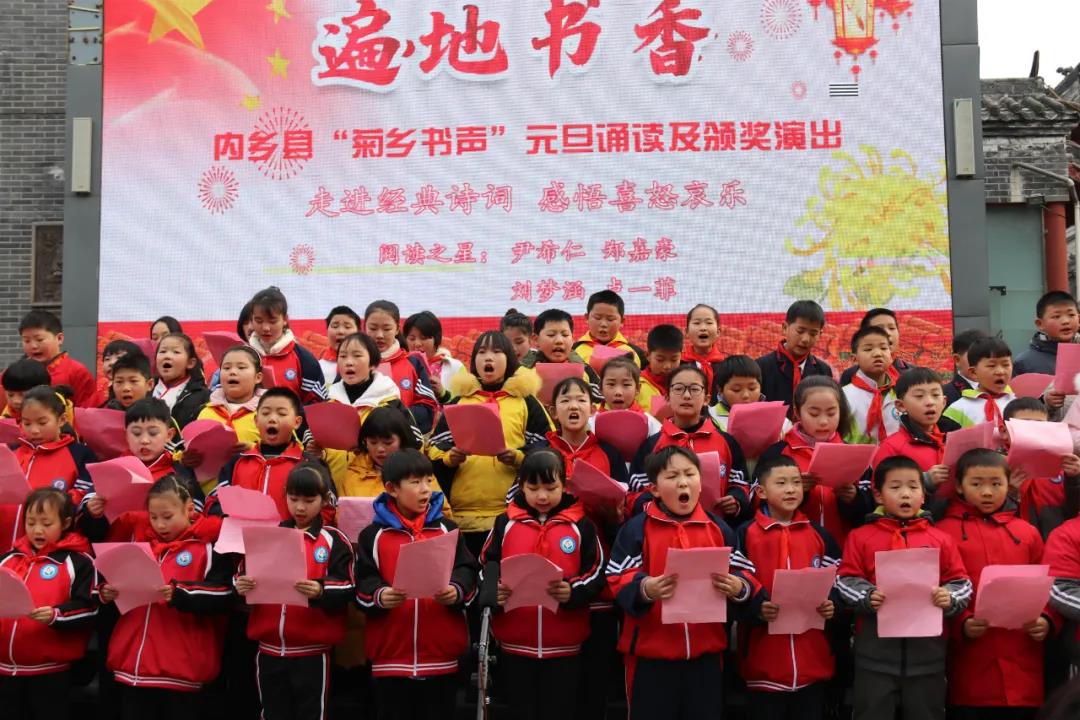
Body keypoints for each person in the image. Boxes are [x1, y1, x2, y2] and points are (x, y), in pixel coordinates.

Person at [606, 446, 758, 719]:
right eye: (672, 476)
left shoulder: (719, 529)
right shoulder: (636, 529)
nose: (683, 482)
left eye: (690, 474)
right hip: (650, 658)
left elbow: (746, 573)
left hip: (706, 656)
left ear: (701, 482)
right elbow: (617, 575)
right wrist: (645, 588)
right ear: (654, 488)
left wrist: (739, 587)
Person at [836, 456, 972, 720]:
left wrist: (949, 596)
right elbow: (845, 580)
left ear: (923, 495)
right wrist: (867, 596)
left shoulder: (940, 539)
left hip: (928, 657)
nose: (905, 494)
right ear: (878, 494)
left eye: (913, 487)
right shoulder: (861, 537)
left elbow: (962, 582)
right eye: (895, 487)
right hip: (874, 657)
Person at [480, 449, 605, 720]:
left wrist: (573, 590)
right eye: (533, 488)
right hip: (514, 643)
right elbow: (486, 564)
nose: (542, 496)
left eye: (551, 488)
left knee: (559, 709)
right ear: (521, 486)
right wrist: (494, 589)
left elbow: (596, 570)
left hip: (565, 643)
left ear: (565, 485)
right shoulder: (505, 523)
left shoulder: (581, 525)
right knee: (520, 710)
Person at [355, 449, 478, 720]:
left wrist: (456, 590)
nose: (425, 489)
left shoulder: (448, 530)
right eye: (415, 482)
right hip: (390, 658)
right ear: (392, 489)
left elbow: (467, 571)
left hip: (441, 657)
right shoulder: (372, 536)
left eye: (428, 481)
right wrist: (380, 595)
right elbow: (362, 582)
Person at [101, 476, 234, 719]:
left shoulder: (210, 546)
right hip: (131, 666)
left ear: (189, 509)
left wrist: (179, 593)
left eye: (167, 517)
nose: (160, 525)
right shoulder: (138, 546)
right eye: (153, 517)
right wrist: (107, 592)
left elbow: (225, 593)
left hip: (181, 667)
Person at [937, 449, 1052, 719]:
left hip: (1022, 655)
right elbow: (935, 591)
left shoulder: (1028, 533)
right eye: (976, 484)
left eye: (996, 484)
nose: (987, 492)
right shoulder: (943, 533)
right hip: (970, 659)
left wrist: (1047, 620)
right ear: (959, 486)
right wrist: (962, 623)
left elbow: (1049, 585)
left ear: (1009, 484)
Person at [236, 462, 355, 720]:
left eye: (309, 500)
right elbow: (243, 572)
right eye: (293, 499)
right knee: (272, 712)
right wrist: (241, 584)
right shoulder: (269, 535)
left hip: (313, 651)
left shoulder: (333, 539)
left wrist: (320, 589)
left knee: (312, 713)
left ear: (324, 500)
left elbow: (348, 585)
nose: (300, 507)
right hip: (268, 648)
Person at [428, 331, 552, 556]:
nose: (488, 358)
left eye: (497, 352)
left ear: (510, 359)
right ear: (474, 360)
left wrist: (518, 458)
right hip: (462, 514)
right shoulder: (459, 401)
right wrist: (449, 459)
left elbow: (548, 447)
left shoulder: (526, 402)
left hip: (512, 512)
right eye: (482, 352)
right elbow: (433, 449)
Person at [736, 455, 840, 720]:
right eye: (781, 483)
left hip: (813, 662)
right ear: (761, 491)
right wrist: (758, 607)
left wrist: (832, 603)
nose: (791, 489)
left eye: (796, 482)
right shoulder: (746, 534)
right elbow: (736, 581)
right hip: (763, 663)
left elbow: (838, 579)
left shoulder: (819, 535)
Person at [0, 488, 96, 720]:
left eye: (46, 523)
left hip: (50, 672)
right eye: (31, 522)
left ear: (66, 523)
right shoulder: (8, 559)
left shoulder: (79, 562)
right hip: (4, 671)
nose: (37, 530)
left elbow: (90, 608)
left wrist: (56, 615)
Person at [629, 365, 750, 523]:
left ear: (707, 399)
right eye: (679, 389)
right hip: (664, 527)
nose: (686, 396)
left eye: (694, 389)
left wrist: (736, 499)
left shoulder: (726, 442)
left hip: (714, 528)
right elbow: (636, 491)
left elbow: (741, 483)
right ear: (667, 397)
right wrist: (652, 507)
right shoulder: (651, 444)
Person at [759, 377, 868, 547]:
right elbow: (759, 504)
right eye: (814, 414)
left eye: (831, 413)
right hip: (793, 547)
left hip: (843, 547)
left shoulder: (854, 454)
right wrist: (797, 490)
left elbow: (871, 507)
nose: (823, 421)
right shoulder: (777, 453)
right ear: (797, 412)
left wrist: (854, 498)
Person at [0, 386, 95, 553]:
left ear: (62, 419)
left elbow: (81, 502)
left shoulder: (79, 454)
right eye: (26, 423)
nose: (34, 430)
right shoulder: (10, 452)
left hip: (51, 552)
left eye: (42, 422)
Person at [212, 387, 307, 521]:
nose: (272, 419)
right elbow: (214, 502)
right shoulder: (236, 462)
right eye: (266, 413)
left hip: (287, 534)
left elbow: (326, 509)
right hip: (241, 533)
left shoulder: (307, 464)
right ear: (256, 421)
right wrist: (229, 516)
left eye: (281, 414)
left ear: (297, 422)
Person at [1001, 397, 1080, 538]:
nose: (1033, 432)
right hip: (1016, 542)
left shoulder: (1064, 466)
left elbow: (1073, 512)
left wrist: (1074, 480)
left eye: (1040, 426)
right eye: (1025, 425)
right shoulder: (994, 466)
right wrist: (1010, 492)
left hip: (1057, 543)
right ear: (1004, 431)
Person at [874, 368, 959, 493]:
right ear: (901, 405)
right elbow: (879, 492)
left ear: (944, 402)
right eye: (919, 396)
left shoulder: (958, 439)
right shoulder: (892, 447)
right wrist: (924, 481)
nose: (930, 402)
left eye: (935, 395)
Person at [363, 300, 438, 436]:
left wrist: (397, 420)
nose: (379, 335)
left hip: (405, 443)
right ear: (364, 328)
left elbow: (427, 408)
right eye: (373, 328)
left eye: (387, 329)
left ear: (397, 329)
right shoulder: (353, 364)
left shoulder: (413, 364)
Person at [247, 286, 327, 404]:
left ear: (285, 319)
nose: (265, 328)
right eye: (259, 321)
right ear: (251, 320)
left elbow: (317, 404)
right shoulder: (242, 356)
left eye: (272, 321)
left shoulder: (304, 359)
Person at [756, 300, 833, 412]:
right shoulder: (761, 367)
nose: (805, 339)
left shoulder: (823, 370)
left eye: (813, 334)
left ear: (820, 335)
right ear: (784, 328)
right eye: (800, 331)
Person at [18, 309, 100, 408]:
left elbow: (87, 411)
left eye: (39, 340)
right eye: (27, 341)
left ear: (59, 338)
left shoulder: (77, 372)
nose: (33, 346)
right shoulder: (16, 372)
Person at [193, 345, 265, 452]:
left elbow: (284, 450)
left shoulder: (267, 413)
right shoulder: (204, 412)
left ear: (258, 377)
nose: (232, 372)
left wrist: (254, 449)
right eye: (226, 368)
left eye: (241, 367)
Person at [519, 308, 600, 398]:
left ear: (572, 339)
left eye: (565, 335)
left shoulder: (586, 371)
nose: (559, 340)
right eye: (551, 335)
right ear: (535, 339)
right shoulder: (522, 371)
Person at [842, 326, 900, 444]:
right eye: (868, 349)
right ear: (854, 358)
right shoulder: (843, 396)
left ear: (891, 355)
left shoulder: (903, 393)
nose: (877, 354)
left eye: (883, 348)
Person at [943, 336, 1015, 429]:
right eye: (992, 366)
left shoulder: (1018, 403)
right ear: (973, 372)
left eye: (1006, 365)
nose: (1000, 371)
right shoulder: (958, 409)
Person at [572, 290, 647, 368]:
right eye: (597, 318)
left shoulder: (636, 353)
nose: (603, 324)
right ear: (587, 318)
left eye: (610, 319)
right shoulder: (573, 351)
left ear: (622, 321)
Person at [591, 356, 662, 437]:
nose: (618, 392)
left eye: (626, 385)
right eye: (611, 384)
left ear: (637, 389)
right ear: (600, 388)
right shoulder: (590, 420)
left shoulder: (649, 423)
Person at [839, 308, 913, 386]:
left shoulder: (912, 373)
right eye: (879, 329)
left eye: (892, 328)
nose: (887, 333)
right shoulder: (850, 375)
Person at [1013, 290, 1080, 376]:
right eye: (1056, 316)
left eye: (1071, 315)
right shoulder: (1024, 363)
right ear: (1040, 324)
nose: (1065, 321)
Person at [151, 332, 209, 430]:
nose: (167, 356)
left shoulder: (203, 397)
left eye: (176, 352)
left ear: (190, 363)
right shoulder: (145, 389)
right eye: (162, 351)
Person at [404, 310, 465, 402]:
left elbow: (466, 403)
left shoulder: (455, 366)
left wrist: (443, 393)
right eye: (412, 339)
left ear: (436, 339)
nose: (417, 344)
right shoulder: (400, 365)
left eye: (424, 338)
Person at [636, 324, 683, 411]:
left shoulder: (687, 385)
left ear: (681, 356)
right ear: (648, 355)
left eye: (674, 360)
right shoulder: (636, 386)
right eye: (660, 360)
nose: (667, 366)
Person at [683, 303, 725, 403]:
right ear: (687, 331)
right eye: (697, 323)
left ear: (718, 331)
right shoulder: (679, 363)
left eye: (709, 323)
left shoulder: (727, 364)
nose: (703, 328)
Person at [943, 329, 988, 407]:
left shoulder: (1002, 391)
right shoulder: (945, 394)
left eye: (986, 356)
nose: (981, 362)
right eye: (975, 356)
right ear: (957, 359)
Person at [320, 305, 361, 387]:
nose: (340, 331)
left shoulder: (370, 365)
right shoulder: (318, 367)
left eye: (347, 327)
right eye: (335, 326)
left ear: (358, 332)